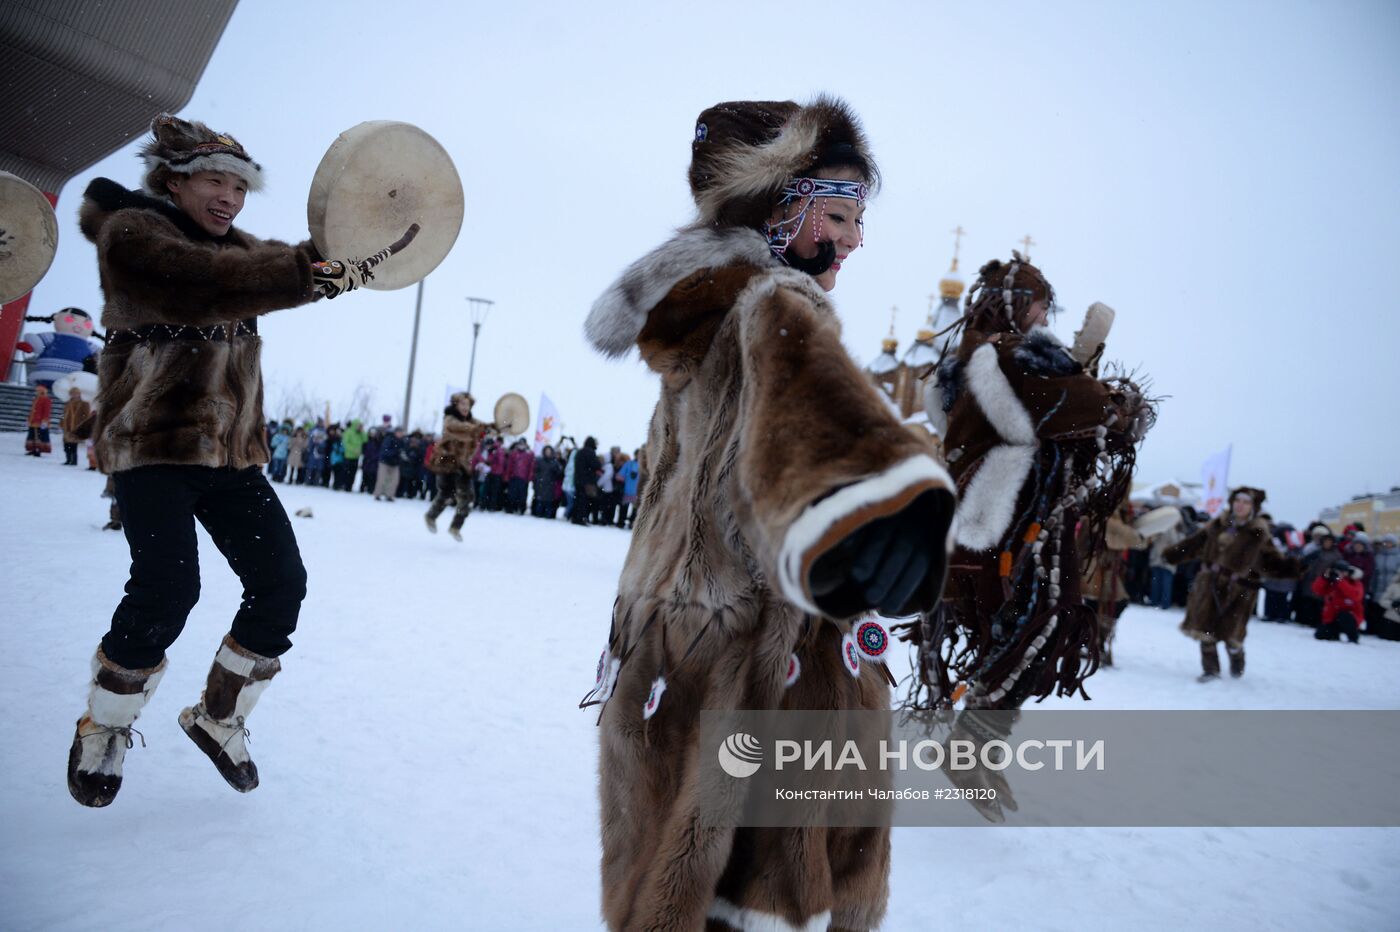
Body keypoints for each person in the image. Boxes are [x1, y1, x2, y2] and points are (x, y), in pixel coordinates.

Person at [582, 97, 956, 932]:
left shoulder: (706, 315)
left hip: (674, 655)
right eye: (840, 212)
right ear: (776, 206)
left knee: (675, 891)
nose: (854, 238)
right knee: (759, 898)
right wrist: (892, 507)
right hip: (767, 675)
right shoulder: (774, 307)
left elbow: (760, 466)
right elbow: (820, 424)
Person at [66, 113, 408, 807]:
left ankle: (221, 715)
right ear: (175, 181)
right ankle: (105, 728)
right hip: (155, 446)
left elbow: (283, 266)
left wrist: (373, 232)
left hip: (230, 457)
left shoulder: (245, 254)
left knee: (281, 583)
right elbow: (210, 282)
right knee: (168, 589)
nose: (228, 197)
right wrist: (310, 274)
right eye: (214, 181)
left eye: (239, 186)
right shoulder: (134, 235)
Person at [907, 253, 1154, 710]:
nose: (1044, 317)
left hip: (980, 520)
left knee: (1008, 632)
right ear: (1018, 305)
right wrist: (1117, 400)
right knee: (1040, 628)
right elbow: (1096, 409)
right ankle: (977, 740)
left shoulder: (965, 362)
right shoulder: (1017, 358)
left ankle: (978, 740)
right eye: (1041, 306)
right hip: (1016, 521)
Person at [1163, 487, 1300, 680]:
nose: (1240, 505)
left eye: (1245, 502)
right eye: (1238, 501)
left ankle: (1237, 658)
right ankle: (1211, 670)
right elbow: (1195, 543)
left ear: (1253, 506)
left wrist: (1293, 568)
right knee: (1205, 629)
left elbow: (1271, 562)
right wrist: (1173, 554)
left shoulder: (1258, 532)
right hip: (1209, 583)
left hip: (1241, 589)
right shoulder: (1218, 524)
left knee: (1232, 635)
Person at [425, 392, 489, 541]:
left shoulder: (472, 421)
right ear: (456, 405)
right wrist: (478, 428)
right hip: (447, 460)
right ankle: (431, 516)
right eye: (462, 404)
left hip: (463, 464)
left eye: (468, 404)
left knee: (468, 497)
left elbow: (483, 427)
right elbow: (461, 428)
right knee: (447, 493)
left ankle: (455, 527)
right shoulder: (450, 419)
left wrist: (497, 427)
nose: (466, 407)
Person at [1312, 562, 1364, 643]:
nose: (1340, 574)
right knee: (1320, 635)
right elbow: (1317, 590)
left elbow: (1355, 595)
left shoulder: (1354, 582)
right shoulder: (1331, 582)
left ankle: (1353, 637)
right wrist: (1324, 577)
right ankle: (1334, 634)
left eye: (1343, 571)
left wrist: (1340, 581)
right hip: (1332, 615)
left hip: (1350, 616)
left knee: (1344, 616)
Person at [569, 436, 600, 525]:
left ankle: (575, 517)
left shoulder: (580, 452)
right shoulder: (591, 452)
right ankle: (581, 518)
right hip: (587, 481)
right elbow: (596, 465)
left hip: (578, 479)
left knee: (577, 499)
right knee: (584, 501)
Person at [59, 385, 92, 466]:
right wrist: (61, 423)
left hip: (76, 427)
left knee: (73, 444)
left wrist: (83, 426)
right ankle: (68, 459)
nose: (74, 395)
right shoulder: (67, 403)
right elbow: (63, 415)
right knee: (66, 444)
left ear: (79, 394)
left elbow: (86, 416)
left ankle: (74, 460)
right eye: (72, 393)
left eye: (76, 393)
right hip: (67, 427)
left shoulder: (84, 404)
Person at [531, 444, 564, 517]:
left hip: (550, 485)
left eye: (549, 451)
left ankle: (547, 515)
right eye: (546, 451)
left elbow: (559, 473)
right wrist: (536, 481)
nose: (548, 453)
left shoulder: (555, 462)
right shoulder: (540, 461)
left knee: (548, 503)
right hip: (540, 484)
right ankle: (538, 514)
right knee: (539, 501)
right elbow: (535, 471)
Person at [374, 426, 405, 501]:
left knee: (394, 480)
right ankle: (377, 494)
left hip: (395, 463)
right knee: (381, 479)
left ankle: (390, 495)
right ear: (396, 432)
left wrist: (402, 455)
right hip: (385, 462)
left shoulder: (401, 441)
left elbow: (402, 451)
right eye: (399, 432)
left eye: (401, 432)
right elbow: (385, 451)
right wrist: (396, 452)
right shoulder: (389, 439)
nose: (400, 434)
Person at [25, 384, 52, 456]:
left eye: (39, 391)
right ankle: (33, 449)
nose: (38, 392)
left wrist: (45, 420)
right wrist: (29, 419)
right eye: (37, 391)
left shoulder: (46, 399)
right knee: (32, 436)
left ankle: (38, 450)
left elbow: (47, 411)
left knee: (39, 437)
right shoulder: (36, 398)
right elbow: (32, 410)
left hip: (40, 421)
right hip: (33, 420)